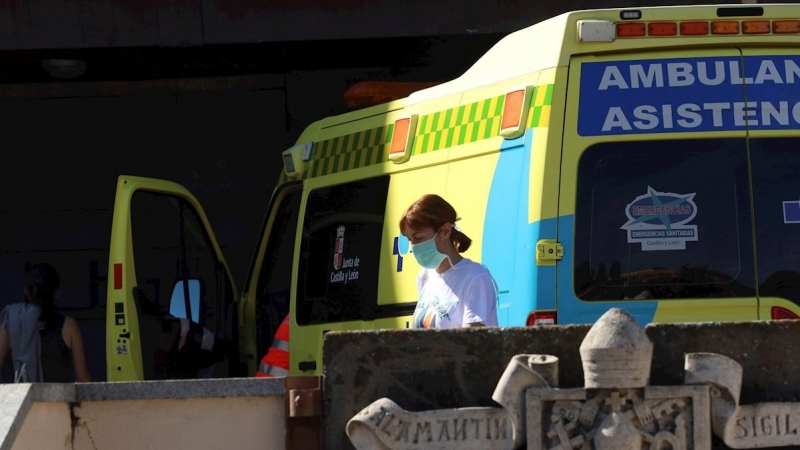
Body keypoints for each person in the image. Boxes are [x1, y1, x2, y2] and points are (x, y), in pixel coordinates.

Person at [399, 194, 499, 329]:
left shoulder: (476, 276)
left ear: (445, 231)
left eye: (419, 238)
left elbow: (473, 342)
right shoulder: (424, 277)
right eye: (410, 240)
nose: (414, 246)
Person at [0, 263, 92, 382]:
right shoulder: (68, 326)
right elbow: (83, 377)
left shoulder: (11, 324)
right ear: (56, 292)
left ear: (26, 292)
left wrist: (9, 396)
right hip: (59, 399)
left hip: (22, 399)